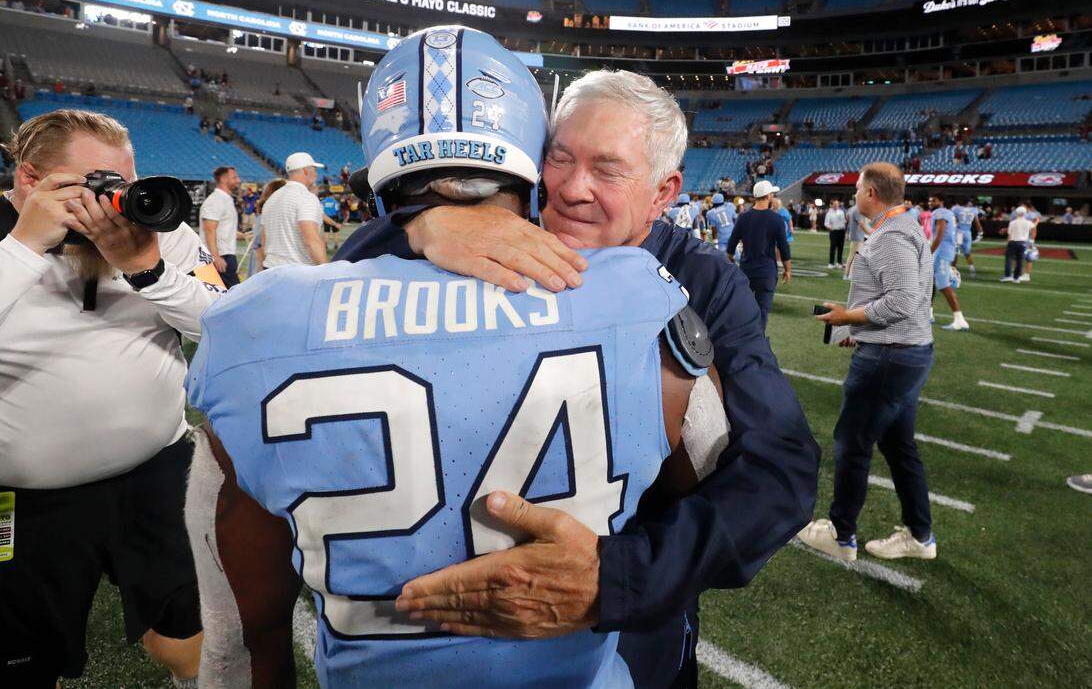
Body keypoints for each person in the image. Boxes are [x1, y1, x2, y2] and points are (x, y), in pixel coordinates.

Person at [185, 26, 721, 688]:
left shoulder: (258, 321)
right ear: (531, 154)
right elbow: (704, 479)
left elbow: (244, 636)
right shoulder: (640, 295)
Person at [327, 66, 819, 688]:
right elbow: (337, 298)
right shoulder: (477, 236)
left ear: (664, 193)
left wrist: (615, 575)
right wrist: (418, 222)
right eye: (559, 159)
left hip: (621, 636)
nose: (571, 189)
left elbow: (780, 471)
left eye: (609, 170)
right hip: (430, 625)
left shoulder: (702, 281)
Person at [0, 109, 225, 686]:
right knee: (11, 665)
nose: (114, 203)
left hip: (159, 472)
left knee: (198, 633)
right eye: (96, 185)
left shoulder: (159, 230)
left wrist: (147, 269)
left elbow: (223, 324)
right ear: (31, 180)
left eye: (121, 184)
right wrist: (24, 247)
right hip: (11, 497)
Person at [803, 162, 938, 562]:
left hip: (890, 357)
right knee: (899, 446)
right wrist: (861, 328)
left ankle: (841, 535)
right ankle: (920, 534)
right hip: (902, 351)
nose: (854, 195)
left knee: (852, 443)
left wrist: (850, 318)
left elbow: (902, 301)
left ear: (871, 194)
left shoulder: (892, 236)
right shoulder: (902, 227)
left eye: (858, 188)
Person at [726, 181, 792, 332]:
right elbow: (784, 247)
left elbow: (731, 246)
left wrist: (732, 261)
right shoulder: (776, 219)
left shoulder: (743, 218)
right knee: (761, 315)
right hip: (767, 272)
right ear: (768, 196)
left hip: (746, 270)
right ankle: (755, 348)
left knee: (743, 313)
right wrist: (788, 269)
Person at [260, 152, 327, 268]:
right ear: (306, 171)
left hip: (270, 268)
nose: (316, 175)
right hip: (296, 270)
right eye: (314, 170)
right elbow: (312, 241)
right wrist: (326, 269)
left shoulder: (272, 198)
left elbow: (264, 240)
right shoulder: (305, 197)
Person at [199, 165, 245, 289]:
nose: (238, 180)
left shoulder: (225, 199)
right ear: (224, 179)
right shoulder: (215, 200)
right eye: (235, 177)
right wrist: (215, 256)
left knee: (227, 296)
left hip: (224, 255)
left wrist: (236, 234)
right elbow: (209, 229)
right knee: (235, 295)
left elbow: (220, 228)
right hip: (220, 257)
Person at [928, 196, 969, 331]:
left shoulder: (941, 213)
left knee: (943, 285)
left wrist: (929, 252)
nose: (930, 203)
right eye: (929, 201)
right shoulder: (949, 213)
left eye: (933, 200)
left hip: (941, 252)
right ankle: (928, 314)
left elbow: (940, 235)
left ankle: (959, 319)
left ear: (941, 201)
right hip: (943, 251)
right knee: (930, 282)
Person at [246, 178, 286, 279]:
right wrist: (262, 274)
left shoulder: (274, 214)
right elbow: (258, 246)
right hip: (264, 266)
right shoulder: (265, 216)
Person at [1001, 205, 1033, 283]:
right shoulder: (1029, 223)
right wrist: (1031, 241)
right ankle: (1016, 278)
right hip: (1023, 243)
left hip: (1013, 242)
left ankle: (1008, 276)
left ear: (1017, 213)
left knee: (1009, 259)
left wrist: (1007, 243)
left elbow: (1010, 234)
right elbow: (1032, 231)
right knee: (1020, 261)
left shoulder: (1013, 222)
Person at [952, 200, 981, 277]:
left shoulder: (957, 208)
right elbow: (977, 222)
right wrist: (980, 233)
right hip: (968, 233)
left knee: (956, 252)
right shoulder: (974, 210)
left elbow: (954, 221)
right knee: (967, 253)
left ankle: (952, 271)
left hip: (959, 233)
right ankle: (972, 270)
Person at [844, 201, 870, 280]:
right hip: (857, 236)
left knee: (852, 256)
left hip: (856, 234)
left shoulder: (852, 209)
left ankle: (848, 274)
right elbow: (861, 223)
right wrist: (870, 232)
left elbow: (847, 217)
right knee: (854, 256)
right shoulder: (857, 210)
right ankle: (849, 274)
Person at [824, 199, 848, 269]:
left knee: (841, 247)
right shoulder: (829, 213)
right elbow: (826, 223)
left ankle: (839, 262)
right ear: (832, 205)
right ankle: (831, 263)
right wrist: (830, 228)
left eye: (837, 204)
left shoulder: (841, 212)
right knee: (833, 247)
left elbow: (844, 222)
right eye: (835, 204)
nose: (836, 205)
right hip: (834, 232)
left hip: (841, 231)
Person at [1022, 202, 1041, 282]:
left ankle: (1026, 275)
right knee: (1016, 256)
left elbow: (1034, 228)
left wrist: (1031, 241)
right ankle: (1021, 273)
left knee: (1028, 257)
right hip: (1020, 237)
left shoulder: (1032, 215)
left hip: (1026, 238)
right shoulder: (1021, 214)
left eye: (1022, 206)